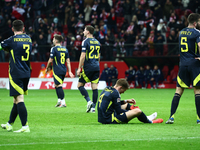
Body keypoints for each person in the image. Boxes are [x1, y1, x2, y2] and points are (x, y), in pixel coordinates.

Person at [166, 13, 200, 124]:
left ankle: (171, 117)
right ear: (195, 23)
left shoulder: (181, 32)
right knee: (197, 91)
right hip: (194, 64)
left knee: (178, 91)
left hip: (183, 64)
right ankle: (199, 118)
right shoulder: (197, 33)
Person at [0, 20, 32, 132]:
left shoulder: (11, 40)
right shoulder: (29, 39)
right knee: (16, 100)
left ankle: (25, 126)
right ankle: (9, 123)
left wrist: (6, 48)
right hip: (26, 72)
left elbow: (1, 46)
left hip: (16, 73)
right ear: (23, 28)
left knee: (19, 99)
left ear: (12, 29)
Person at [97, 79, 163, 124]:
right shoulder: (116, 93)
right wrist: (132, 112)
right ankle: (150, 121)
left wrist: (126, 101)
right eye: (124, 90)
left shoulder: (107, 88)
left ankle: (145, 117)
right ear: (120, 87)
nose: (123, 92)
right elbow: (119, 111)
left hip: (102, 118)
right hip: (109, 119)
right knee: (138, 111)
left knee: (126, 105)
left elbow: (114, 103)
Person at [76, 25, 101, 113]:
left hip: (88, 67)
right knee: (94, 87)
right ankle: (93, 108)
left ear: (88, 32)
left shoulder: (85, 41)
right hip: (96, 67)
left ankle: (89, 102)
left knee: (79, 85)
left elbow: (83, 55)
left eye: (84, 30)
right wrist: (97, 64)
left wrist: (79, 68)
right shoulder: (98, 42)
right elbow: (98, 56)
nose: (83, 32)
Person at [46, 34, 74, 108]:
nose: (52, 40)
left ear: (56, 40)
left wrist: (47, 67)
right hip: (63, 69)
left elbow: (50, 60)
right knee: (56, 85)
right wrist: (70, 71)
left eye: (53, 39)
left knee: (59, 85)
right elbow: (68, 61)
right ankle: (59, 101)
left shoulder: (54, 49)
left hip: (57, 69)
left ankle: (63, 102)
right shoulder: (65, 49)